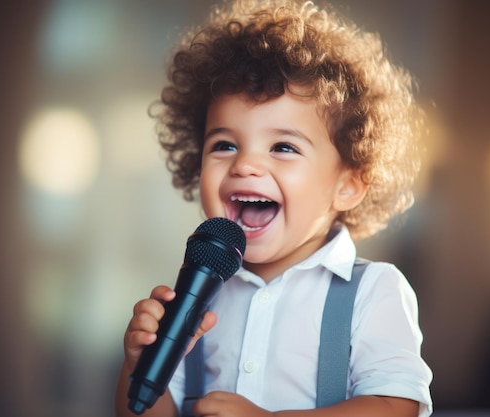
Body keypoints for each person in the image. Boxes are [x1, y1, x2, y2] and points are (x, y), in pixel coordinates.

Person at [115, 0, 433, 416]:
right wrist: (139, 368)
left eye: (283, 147)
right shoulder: (195, 291)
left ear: (349, 186)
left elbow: (396, 407)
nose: (245, 164)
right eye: (224, 145)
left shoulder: (374, 290)